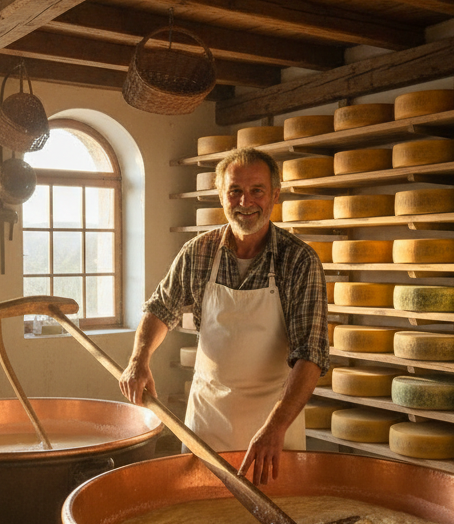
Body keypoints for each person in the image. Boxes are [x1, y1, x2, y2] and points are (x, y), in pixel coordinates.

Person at [120, 146, 330, 484]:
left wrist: (276, 427)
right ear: (221, 195)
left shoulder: (298, 261)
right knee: (203, 521)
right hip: (208, 421)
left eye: (256, 190)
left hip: (272, 424)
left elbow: (311, 354)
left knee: (274, 521)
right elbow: (160, 308)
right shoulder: (199, 252)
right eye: (235, 190)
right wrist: (139, 358)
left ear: (274, 195)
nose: (245, 201)